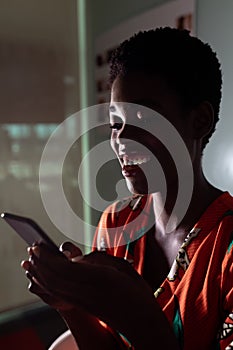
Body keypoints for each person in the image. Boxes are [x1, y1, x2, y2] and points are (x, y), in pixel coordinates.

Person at [21, 27, 233, 350]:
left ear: (199, 121)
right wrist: (72, 307)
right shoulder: (116, 225)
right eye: (115, 123)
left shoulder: (226, 248)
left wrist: (137, 316)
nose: (122, 139)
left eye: (143, 119)